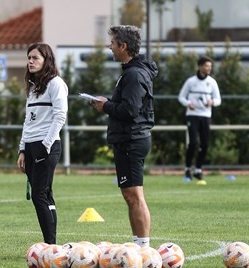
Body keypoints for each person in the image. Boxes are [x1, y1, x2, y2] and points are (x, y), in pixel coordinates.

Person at [91, 25, 157, 248]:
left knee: (133, 195)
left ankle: (142, 248)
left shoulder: (134, 74)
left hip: (132, 139)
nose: (110, 47)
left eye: (113, 43)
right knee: (131, 195)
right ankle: (140, 244)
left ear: (123, 46)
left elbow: (130, 110)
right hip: (130, 139)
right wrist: (107, 104)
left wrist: (106, 106)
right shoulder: (131, 71)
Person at [17, 43, 68, 244]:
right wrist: (22, 149)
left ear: (47, 60)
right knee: (45, 194)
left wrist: (46, 144)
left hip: (45, 146)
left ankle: (50, 246)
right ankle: (52, 245)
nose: (30, 61)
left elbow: (60, 116)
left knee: (39, 195)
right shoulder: (32, 87)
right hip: (30, 146)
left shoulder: (56, 84)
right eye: (29, 57)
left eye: (35, 58)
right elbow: (27, 121)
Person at [178, 56, 221, 185]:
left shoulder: (212, 82)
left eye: (210, 66)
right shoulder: (191, 82)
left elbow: (218, 100)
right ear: (200, 66)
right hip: (193, 115)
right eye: (207, 66)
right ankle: (187, 169)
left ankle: (198, 169)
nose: (209, 68)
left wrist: (212, 102)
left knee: (205, 144)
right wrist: (188, 103)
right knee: (193, 143)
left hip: (206, 116)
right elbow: (181, 97)